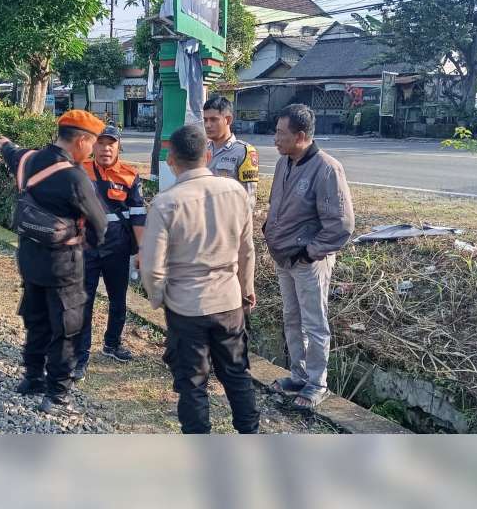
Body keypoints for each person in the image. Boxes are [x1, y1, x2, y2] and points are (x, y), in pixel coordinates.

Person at [140, 124, 260, 434]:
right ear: (207, 154)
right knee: (236, 373)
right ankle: (250, 433)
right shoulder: (235, 192)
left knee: (192, 382)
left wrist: (158, 297)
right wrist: (246, 289)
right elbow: (247, 250)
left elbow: (152, 267)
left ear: (170, 159)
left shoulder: (166, 203)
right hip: (229, 300)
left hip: (186, 306)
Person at [0, 110, 108, 417]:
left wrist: (4, 145)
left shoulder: (28, 160)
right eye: (92, 144)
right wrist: (87, 245)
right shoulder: (74, 177)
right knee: (67, 329)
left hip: (29, 259)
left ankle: (32, 378)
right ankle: (57, 397)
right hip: (64, 266)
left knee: (37, 319)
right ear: (81, 140)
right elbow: (100, 225)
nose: (93, 150)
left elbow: (10, 152)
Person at [263, 104, 355, 411]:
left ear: (301, 136)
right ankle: (299, 374)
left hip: (308, 262)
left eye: (280, 133)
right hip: (283, 257)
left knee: (314, 323)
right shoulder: (284, 162)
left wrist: (309, 253)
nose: (275, 138)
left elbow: (341, 225)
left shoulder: (327, 169)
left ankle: (318, 382)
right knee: (292, 318)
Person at [73, 125, 146, 381]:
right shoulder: (79, 171)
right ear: (92, 146)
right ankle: (80, 357)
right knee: (84, 302)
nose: (105, 148)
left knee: (118, 300)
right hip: (86, 248)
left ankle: (112, 344)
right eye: (101, 143)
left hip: (118, 248)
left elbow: (138, 215)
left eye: (110, 143)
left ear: (118, 146)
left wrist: (141, 252)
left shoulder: (130, 175)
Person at [203, 95, 259, 214]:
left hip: (229, 222)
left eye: (213, 119)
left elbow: (249, 197)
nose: (208, 125)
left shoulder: (244, 152)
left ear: (228, 120)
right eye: (205, 120)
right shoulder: (201, 150)